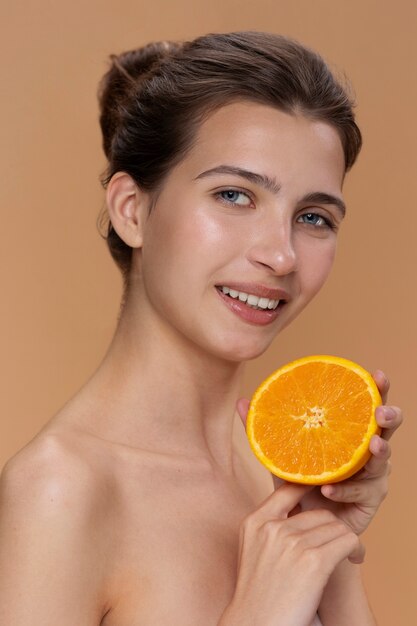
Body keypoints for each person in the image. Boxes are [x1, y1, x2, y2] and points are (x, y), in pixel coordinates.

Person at [0, 31, 402, 625]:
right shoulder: (61, 492)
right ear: (133, 211)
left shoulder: (276, 471)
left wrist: (328, 551)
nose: (281, 255)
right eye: (235, 195)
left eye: (313, 217)